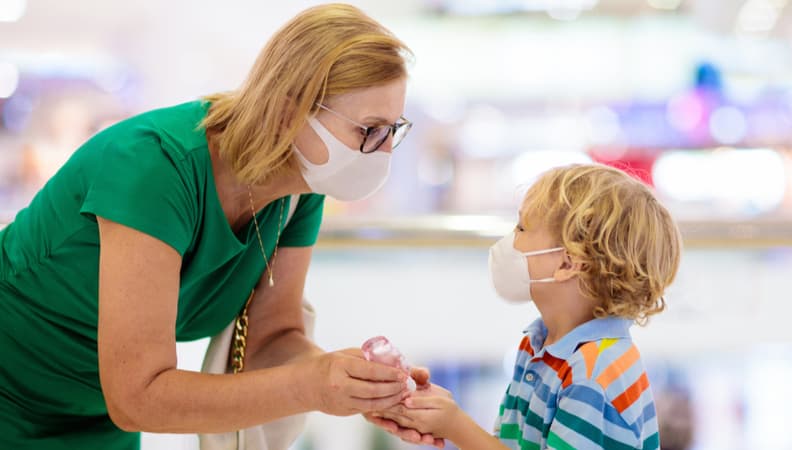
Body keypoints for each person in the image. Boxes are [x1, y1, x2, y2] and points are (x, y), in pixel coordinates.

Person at [0, 3, 437, 449]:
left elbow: (273, 338)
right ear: (290, 113)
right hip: (10, 390)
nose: (383, 151)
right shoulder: (156, 167)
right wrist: (312, 386)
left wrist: (354, 383)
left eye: (392, 130)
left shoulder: (298, 193)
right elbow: (138, 395)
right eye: (369, 130)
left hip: (97, 413)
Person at [376, 164, 682, 449]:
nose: (509, 241)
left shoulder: (594, 376)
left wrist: (454, 424)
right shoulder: (538, 345)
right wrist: (440, 413)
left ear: (567, 262)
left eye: (521, 229)